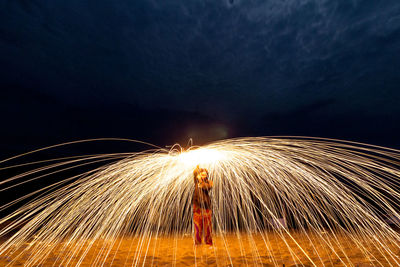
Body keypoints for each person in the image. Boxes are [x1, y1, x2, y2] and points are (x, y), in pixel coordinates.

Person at [192, 165, 213, 246]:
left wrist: (201, 181)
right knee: (197, 230)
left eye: (205, 175)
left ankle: (209, 245)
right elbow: (194, 173)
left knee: (208, 229)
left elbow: (207, 188)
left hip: (207, 209)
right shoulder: (196, 182)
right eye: (201, 174)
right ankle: (197, 246)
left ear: (207, 176)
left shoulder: (209, 183)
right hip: (197, 209)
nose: (203, 176)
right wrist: (197, 167)